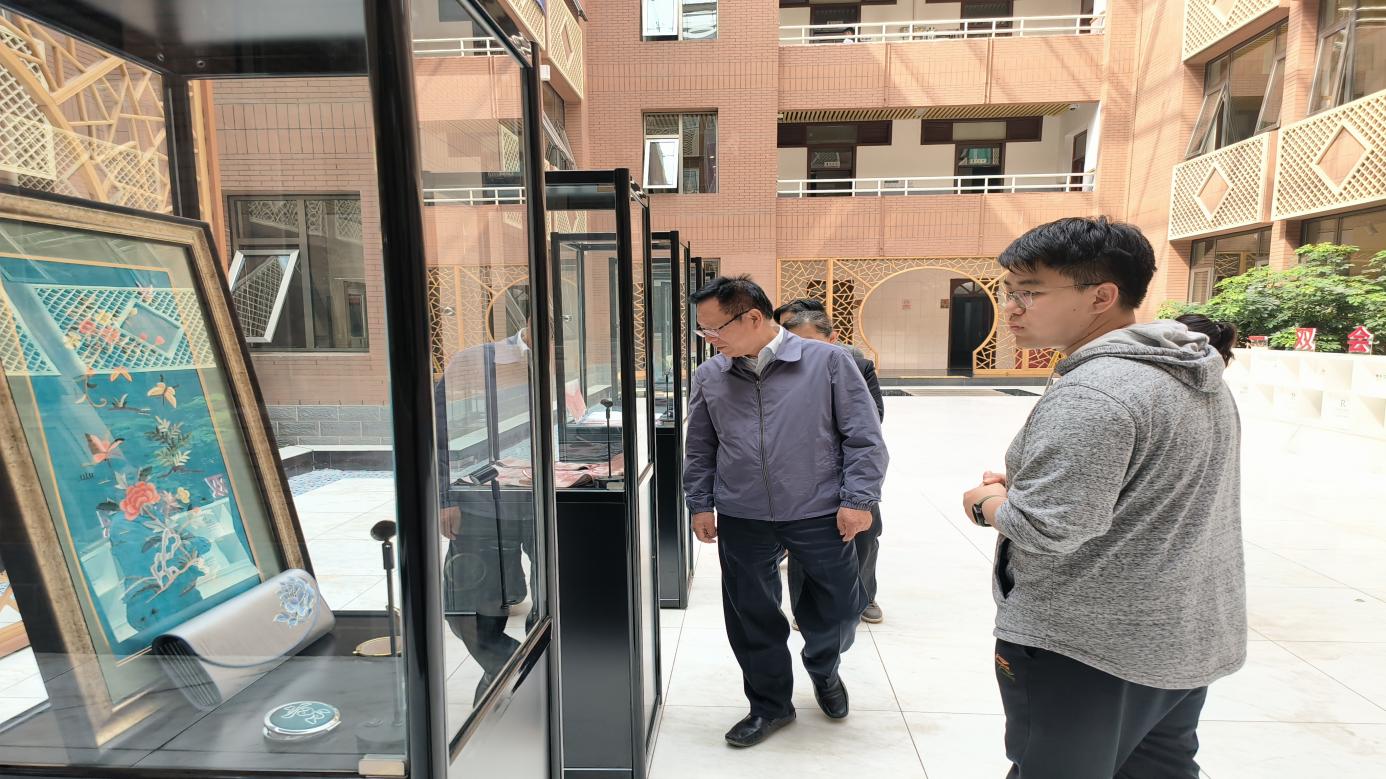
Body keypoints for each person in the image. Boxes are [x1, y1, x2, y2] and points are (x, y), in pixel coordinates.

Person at [960, 217, 1246, 778]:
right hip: (1180, 632)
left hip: (1087, 646)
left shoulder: (1094, 391)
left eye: (1030, 292)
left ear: (1101, 296)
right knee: (1157, 769)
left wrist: (984, 501)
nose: (1011, 308)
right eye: (1008, 291)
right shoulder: (1192, 373)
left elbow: (1047, 528)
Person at [684, 275, 888, 748]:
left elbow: (864, 437)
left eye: (714, 329)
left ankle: (824, 667)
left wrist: (858, 500)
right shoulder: (711, 375)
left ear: (753, 318)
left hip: (818, 510)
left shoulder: (828, 362)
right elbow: (700, 446)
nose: (709, 339)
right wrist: (700, 503)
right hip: (743, 513)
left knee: (840, 609)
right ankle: (770, 705)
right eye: (702, 330)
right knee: (750, 614)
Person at [776, 304, 887, 625]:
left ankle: (864, 595)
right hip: (802, 470)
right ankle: (806, 607)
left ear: (832, 338)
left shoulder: (858, 365)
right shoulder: (781, 369)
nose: (803, 351)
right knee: (804, 541)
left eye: (811, 342)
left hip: (850, 465)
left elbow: (873, 419)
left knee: (864, 536)